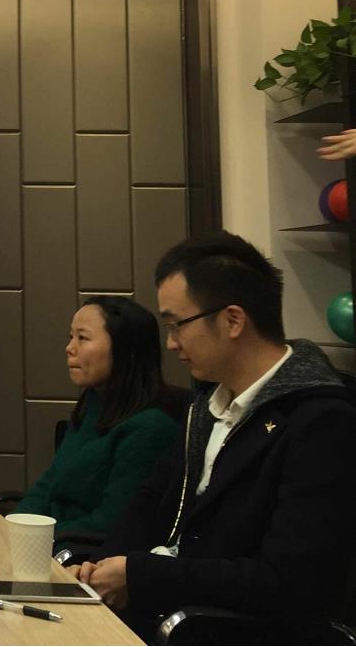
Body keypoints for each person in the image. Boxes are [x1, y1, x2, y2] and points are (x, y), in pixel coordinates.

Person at [76, 231, 356, 637]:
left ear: (232, 320)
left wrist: (141, 574)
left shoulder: (320, 420)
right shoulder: (206, 405)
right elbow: (151, 499)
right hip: (160, 609)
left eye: (177, 325)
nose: (171, 343)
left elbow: (288, 583)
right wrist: (99, 567)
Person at [13, 296, 179, 540]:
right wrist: (14, 527)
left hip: (82, 552)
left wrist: (38, 539)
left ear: (124, 348)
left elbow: (111, 523)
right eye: (71, 337)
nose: (70, 348)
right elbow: (48, 485)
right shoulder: (93, 403)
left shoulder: (150, 429)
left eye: (83, 338)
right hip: (49, 541)